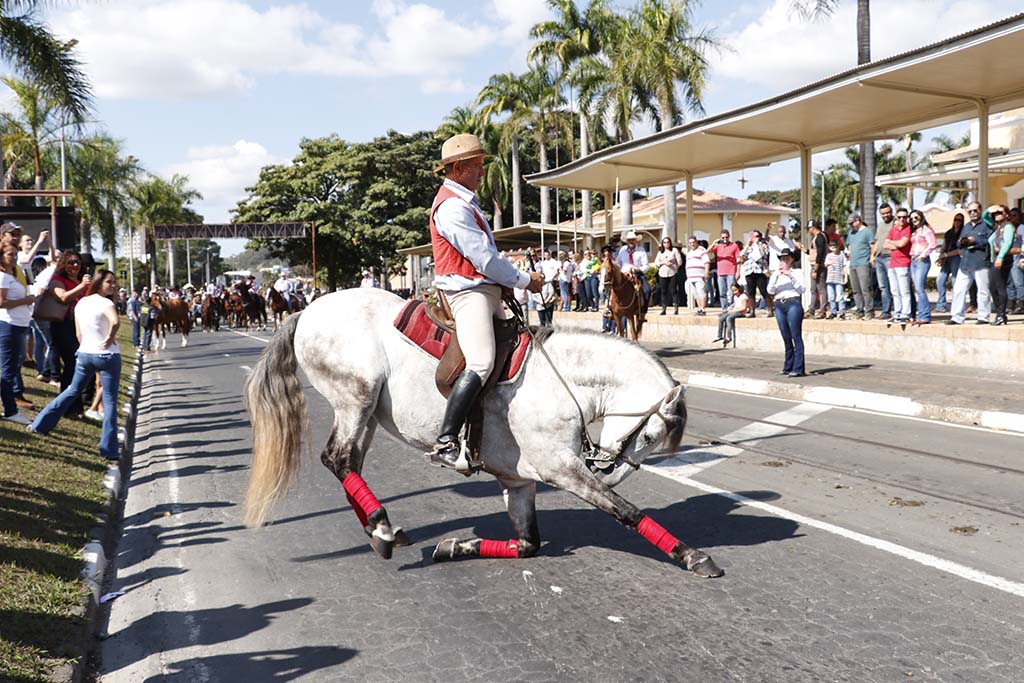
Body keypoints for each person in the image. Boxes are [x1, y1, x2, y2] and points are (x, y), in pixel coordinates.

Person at [427, 133, 543, 468]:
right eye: (477, 165)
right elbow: (485, 260)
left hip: (486, 289)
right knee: (481, 361)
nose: (482, 171)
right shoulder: (451, 207)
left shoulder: (465, 202)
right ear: (459, 168)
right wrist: (525, 280)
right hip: (468, 293)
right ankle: (446, 440)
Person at [29, 270, 122, 460]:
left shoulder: (81, 302)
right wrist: (109, 338)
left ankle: (40, 424)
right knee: (110, 400)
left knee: (72, 390)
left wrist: (86, 345)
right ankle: (108, 450)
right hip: (107, 355)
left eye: (114, 282)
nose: (113, 286)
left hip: (85, 353)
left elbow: (79, 333)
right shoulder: (106, 303)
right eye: (109, 282)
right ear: (98, 284)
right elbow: (115, 321)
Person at [46, 250, 92, 418]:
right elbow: (63, 298)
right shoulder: (58, 280)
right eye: (70, 262)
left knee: (81, 365)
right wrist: (81, 287)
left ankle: (77, 405)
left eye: (77, 263)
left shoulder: (84, 281)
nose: (74, 266)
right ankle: (67, 406)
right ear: (63, 264)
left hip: (82, 326)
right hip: (63, 326)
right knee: (72, 364)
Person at [0, 243, 36, 423]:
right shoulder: (3, 277)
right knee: (8, 370)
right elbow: (1, 302)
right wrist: (26, 300)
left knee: (12, 368)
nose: (13, 257)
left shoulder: (12, 275)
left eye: (15, 254)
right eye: (9, 254)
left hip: (18, 325)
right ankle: (11, 410)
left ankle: (10, 408)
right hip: (9, 325)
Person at [948, 202, 993, 325]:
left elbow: (989, 242)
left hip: (980, 262)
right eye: (970, 211)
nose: (973, 213)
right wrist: (962, 242)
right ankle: (956, 317)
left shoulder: (986, 226)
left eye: (975, 210)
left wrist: (975, 241)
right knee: (958, 290)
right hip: (965, 263)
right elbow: (958, 243)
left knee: (983, 291)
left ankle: (983, 316)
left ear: (980, 210)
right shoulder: (966, 227)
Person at [767, 248, 806, 377]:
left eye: (787, 259)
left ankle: (799, 367)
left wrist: (790, 276)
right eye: (782, 259)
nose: (784, 261)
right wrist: (777, 275)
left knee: (796, 335)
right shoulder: (776, 274)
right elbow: (770, 290)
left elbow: (802, 289)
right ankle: (788, 366)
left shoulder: (797, 272)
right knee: (786, 336)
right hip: (779, 304)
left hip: (793, 302)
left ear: (791, 260)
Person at [987, 204, 1015, 326]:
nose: (997, 214)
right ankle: (1001, 314)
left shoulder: (1008, 226)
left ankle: (1000, 314)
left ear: (1006, 214)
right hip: (995, 259)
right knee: (992, 287)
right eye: (996, 213)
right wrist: (990, 209)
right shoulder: (998, 227)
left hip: (1003, 260)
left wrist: (1000, 257)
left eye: (1000, 212)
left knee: (999, 287)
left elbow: (1008, 243)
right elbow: (984, 217)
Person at [884, 208, 913, 324]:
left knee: (904, 291)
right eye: (899, 217)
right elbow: (885, 244)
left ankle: (906, 314)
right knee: (894, 291)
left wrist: (894, 243)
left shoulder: (908, 229)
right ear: (896, 217)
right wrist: (897, 244)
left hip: (903, 263)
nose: (902, 219)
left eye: (904, 217)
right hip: (892, 264)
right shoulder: (893, 229)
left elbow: (903, 243)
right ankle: (897, 313)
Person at [908, 210, 936, 325]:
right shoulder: (915, 231)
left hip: (922, 261)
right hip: (913, 259)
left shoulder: (926, 230)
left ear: (921, 218)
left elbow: (933, 244)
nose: (914, 220)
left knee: (920, 288)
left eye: (916, 218)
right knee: (917, 288)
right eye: (912, 218)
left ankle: (925, 315)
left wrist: (923, 255)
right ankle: (920, 314)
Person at [615, 230, 650, 318]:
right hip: (624, 275)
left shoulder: (641, 250)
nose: (631, 242)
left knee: (647, 290)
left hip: (637, 273)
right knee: (610, 287)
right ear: (626, 241)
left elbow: (646, 265)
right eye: (629, 240)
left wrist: (638, 269)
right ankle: (610, 309)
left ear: (636, 240)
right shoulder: (622, 250)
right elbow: (618, 262)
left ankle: (643, 311)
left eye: (632, 240)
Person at [846, 214, 875, 319]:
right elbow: (849, 246)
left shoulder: (867, 232)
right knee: (855, 290)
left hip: (863, 263)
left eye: (852, 223)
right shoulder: (851, 233)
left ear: (858, 220)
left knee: (865, 288)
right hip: (853, 264)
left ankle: (869, 311)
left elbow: (873, 246)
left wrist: (872, 257)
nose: (851, 225)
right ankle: (859, 310)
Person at [935, 213, 964, 313]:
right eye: (956, 219)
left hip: (956, 258)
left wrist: (946, 255)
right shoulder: (949, 232)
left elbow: (960, 250)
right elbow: (944, 245)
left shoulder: (962, 233)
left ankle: (956, 307)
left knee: (955, 282)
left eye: (959, 220)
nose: (957, 222)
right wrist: (941, 256)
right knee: (940, 281)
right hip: (946, 258)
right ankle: (941, 305)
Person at [870, 203, 895, 319]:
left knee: (894, 286)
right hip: (880, 258)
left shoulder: (895, 223)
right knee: (883, 287)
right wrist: (872, 255)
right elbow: (876, 241)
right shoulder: (880, 226)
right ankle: (886, 311)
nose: (886, 215)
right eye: (883, 213)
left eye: (887, 212)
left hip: (890, 257)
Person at [739, 230, 770, 317]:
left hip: (759, 271)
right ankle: (752, 311)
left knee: (763, 291)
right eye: (753, 236)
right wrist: (748, 245)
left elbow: (764, 254)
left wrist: (759, 244)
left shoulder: (763, 245)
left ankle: (770, 309)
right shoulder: (749, 246)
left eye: (757, 236)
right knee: (751, 292)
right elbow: (741, 255)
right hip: (749, 270)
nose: (754, 238)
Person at [709, 229, 740, 310]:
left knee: (731, 292)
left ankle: (732, 307)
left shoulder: (734, 246)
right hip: (720, 273)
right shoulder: (718, 246)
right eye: (723, 237)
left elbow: (738, 259)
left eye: (726, 237)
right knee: (722, 292)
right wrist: (714, 243)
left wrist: (738, 272)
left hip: (731, 272)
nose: (725, 239)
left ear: (729, 237)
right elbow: (708, 251)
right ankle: (724, 309)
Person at [805, 220, 828, 318]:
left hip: (819, 266)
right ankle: (812, 309)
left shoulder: (819, 237)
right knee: (813, 289)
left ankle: (822, 310)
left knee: (821, 288)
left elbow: (820, 254)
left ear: (812, 228)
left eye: (808, 228)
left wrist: (815, 270)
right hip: (815, 264)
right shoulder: (816, 238)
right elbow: (813, 252)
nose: (808, 231)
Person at [653, 237, 682, 315]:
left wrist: (675, 267)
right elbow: (656, 262)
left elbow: (679, 261)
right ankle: (664, 308)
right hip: (662, 273)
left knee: (674, 290)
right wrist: (664, 263)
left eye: (668, 242)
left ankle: (676, 308)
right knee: (663, 291)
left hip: (672, 272)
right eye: (664, 242)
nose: (666, 244)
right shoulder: (660, 252)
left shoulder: (674, 250)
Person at [713, 283, 747, 347]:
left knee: (729, 318)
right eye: (733, 291)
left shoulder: (743, 296)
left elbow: (744, 307)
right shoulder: (735, 297)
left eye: (736, 290)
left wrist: (734, 310)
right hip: (734, 311)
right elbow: (735, 304)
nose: (734, 292)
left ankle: (729, 336)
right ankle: (719, 335)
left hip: (740, 312)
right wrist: (729, 309)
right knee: (721, 319)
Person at [683, 236, 710, 316]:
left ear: (696, 242)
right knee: (696, 294)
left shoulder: (702, 250)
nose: (692, 244)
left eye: (693, 242)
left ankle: (703, 309)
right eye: (690, 243)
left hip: (699, 275)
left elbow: (706, 262)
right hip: (691, 276)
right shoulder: (689, 253)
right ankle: (699, 308)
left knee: (701, 292)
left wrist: (706, 272)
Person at [824, 241, 847, 319]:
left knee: (840, 296)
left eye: (835, 247)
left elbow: (844, 266)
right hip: (830, 279)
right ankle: (833, 312)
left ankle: (842, 312)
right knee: (831, 297)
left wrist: (845, 276)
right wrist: (829, 263)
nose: (834, 249)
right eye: (832, 247)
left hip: (839, 278)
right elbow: (826, 264)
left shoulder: (841, 255)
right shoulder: (829, 256)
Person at [1007, 207, 1024, 314]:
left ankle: (1020, 303)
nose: (1012, 218)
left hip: (1018, 255)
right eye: (1010, 216)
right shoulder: (1008, 228)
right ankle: (1011, 302)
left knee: (1018, 281)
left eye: (1014, 216)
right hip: (1009, 256)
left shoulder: (1021, 227)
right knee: (1010, 281)